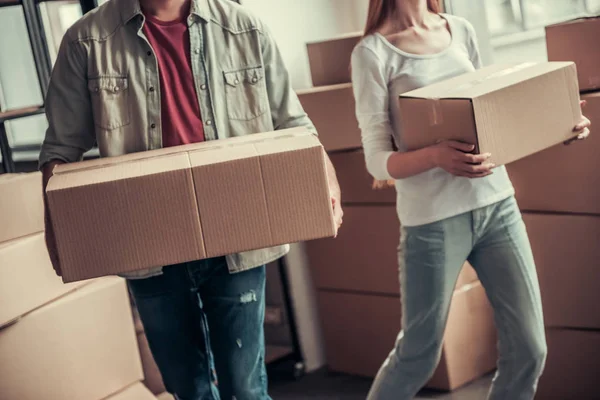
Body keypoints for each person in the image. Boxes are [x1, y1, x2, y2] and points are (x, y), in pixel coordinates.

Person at [39, 0, 343, 398]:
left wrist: (328, 182)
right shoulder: (87, 40)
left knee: (245, 389)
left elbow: (294, 124)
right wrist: (55, 224)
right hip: (148, 245)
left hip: (237, 236)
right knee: (188, 389)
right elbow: (60, 149)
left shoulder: (242, 28)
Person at [350, 0, 591, 399]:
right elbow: (376, 161)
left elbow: (490, 115)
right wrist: (435, 157)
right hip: (432, 223)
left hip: (498, 207)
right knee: (418, 355)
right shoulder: (373, 53)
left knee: (531, 348)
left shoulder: (459, 29)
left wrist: (559, 123)